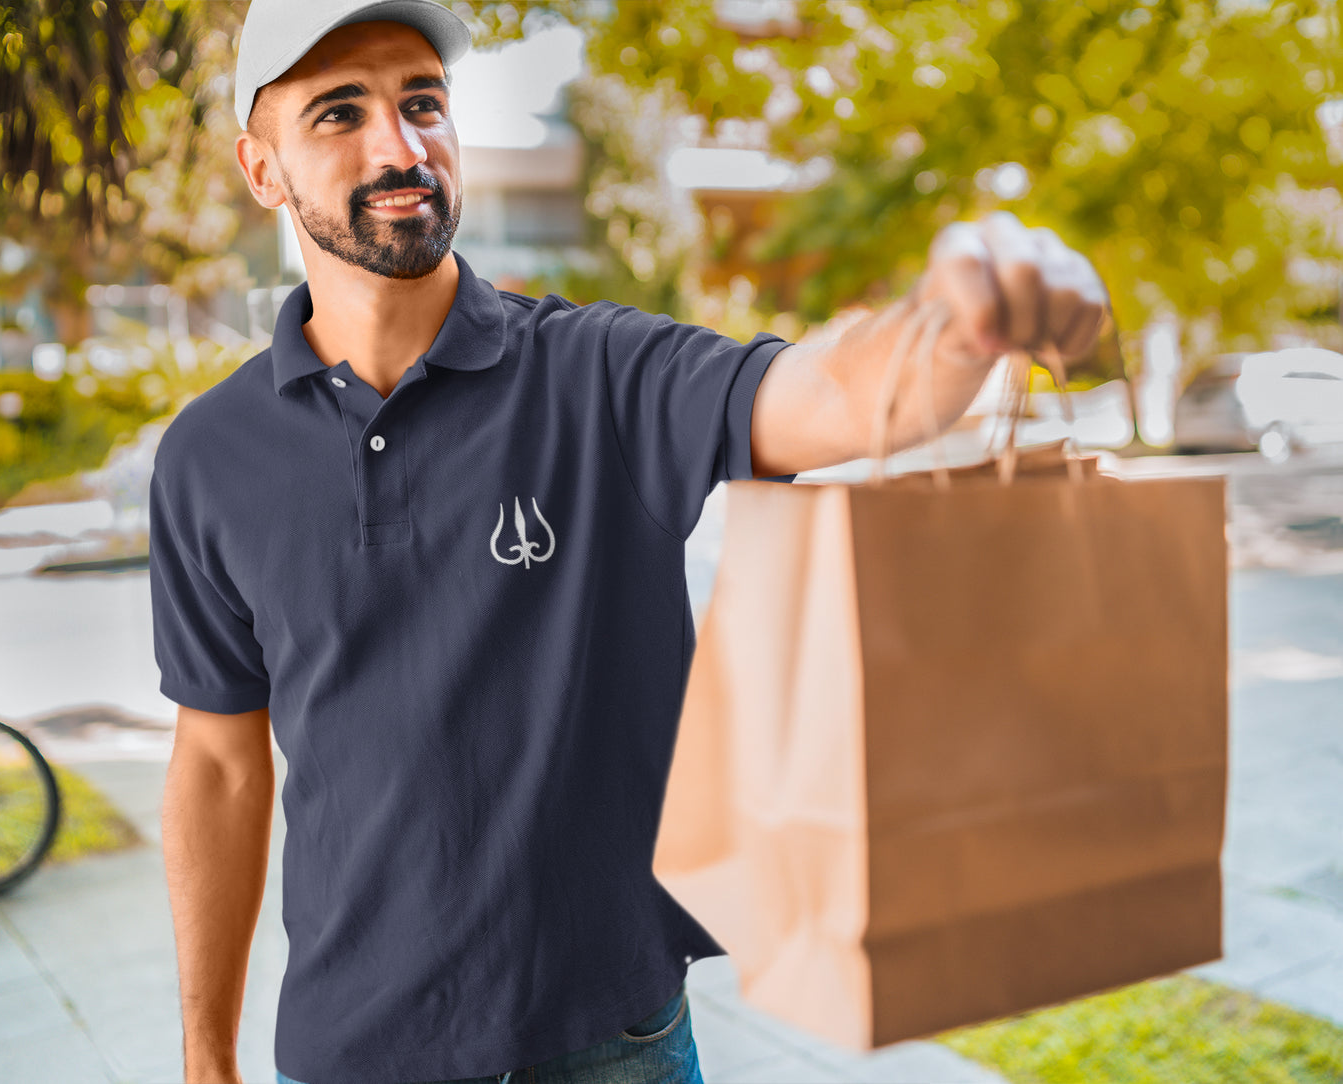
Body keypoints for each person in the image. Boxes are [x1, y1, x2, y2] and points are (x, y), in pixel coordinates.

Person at [149, 2, 1110, 1083]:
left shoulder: (596, 373)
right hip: (354, 1049)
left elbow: (824, 389)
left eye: (422, 102)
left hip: (612, 1040)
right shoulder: (207, 459)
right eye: (339, 113)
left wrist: (955, 324)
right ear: (262, 168)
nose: (400, 146)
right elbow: (221, 766)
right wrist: (204, 1052)